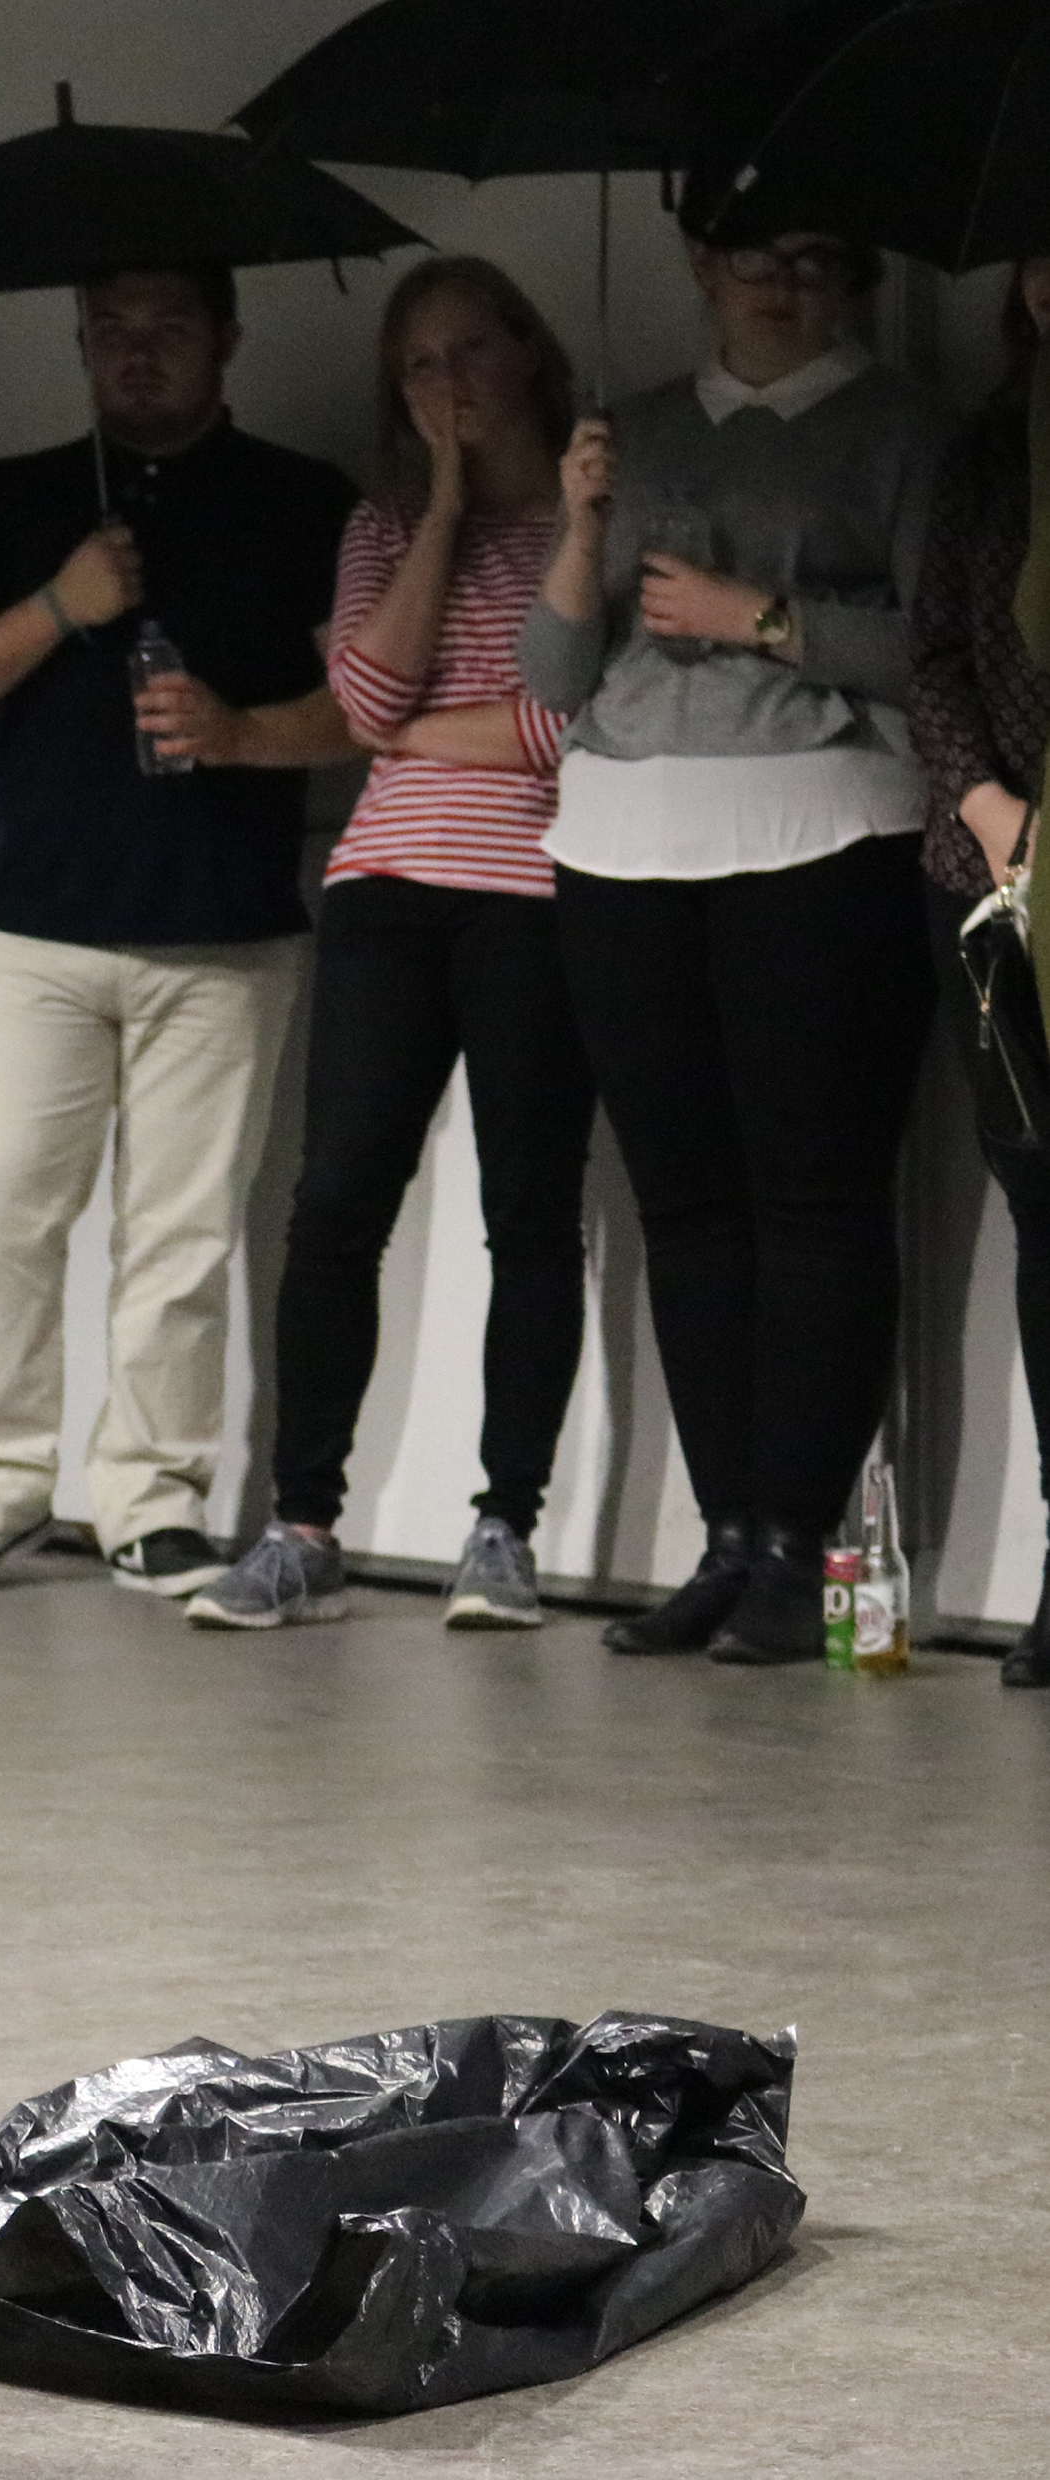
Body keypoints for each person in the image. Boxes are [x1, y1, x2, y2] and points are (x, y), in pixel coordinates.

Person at [0, 267, 358, 1599]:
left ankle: (152, 1501)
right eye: (111, 332)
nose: (137, 355)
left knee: (183, 1234)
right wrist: (61, 604)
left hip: (224, 927)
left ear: (226, 340)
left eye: (167, 330)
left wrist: (241, 733)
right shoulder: (15, 495)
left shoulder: (300, 497)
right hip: (38, 927)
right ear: (82, 344)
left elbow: (368, 705)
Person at [524, 223, 953, 1666]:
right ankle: (723, 1540)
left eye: (819, 259)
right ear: (700, 265)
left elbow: (931, 645)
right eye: (753, 256)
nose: (783, 284)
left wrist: (758, 620)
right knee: (686, 1204)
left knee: (816, 1199)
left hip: (824, 826)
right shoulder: (627, 428)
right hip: (620, 835)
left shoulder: (902, 428)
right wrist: (580, 525)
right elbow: (552, 676)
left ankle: (802, 1543)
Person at [189, 261, 589, 1636]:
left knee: (531, 1211)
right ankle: (305, 1525)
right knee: (337, 1202)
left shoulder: (589, 520)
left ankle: (505, 1528)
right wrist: (445, 513)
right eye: (419, 364)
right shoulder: (385, 523)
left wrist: (408, 731)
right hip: (384, 886)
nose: (449, 384)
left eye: (471, 351)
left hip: (537, 892)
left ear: (528, 355)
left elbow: (559, 722)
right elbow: (362, 692)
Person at [906, 254, 1050, 1689]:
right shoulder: (986, 449)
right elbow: (933, 650)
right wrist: (991, 807)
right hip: (993, 886)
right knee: (1042, 1196)